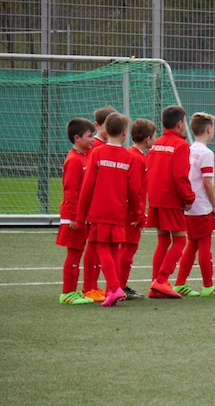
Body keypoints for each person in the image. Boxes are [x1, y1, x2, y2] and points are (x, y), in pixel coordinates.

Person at [76, 113, 144, 306]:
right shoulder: (129, 157)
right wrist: (139, 214)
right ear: (125, 133)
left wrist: (81, 216)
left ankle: (114, 288)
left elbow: (87, 187)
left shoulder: (97, 153)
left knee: (102, 248)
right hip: (118, 213)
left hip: (99, 212)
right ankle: (110, 292)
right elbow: (134, 191)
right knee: (114, 250)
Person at [174, 113, 215, 297]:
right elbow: (207, 183)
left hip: (188, 205)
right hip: (201, 206)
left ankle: (180, 283)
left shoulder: (189, 149)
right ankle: (208, 285)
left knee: (192, 245)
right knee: (204, 245)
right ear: (208, 129)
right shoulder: (206, 153)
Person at [147, 105, 196, 299]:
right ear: (179, 124)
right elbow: (180, 176)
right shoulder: (181, 145)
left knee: (163, 240)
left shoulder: (157, 142)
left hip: (156, 197)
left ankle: (155, 283)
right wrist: (189, 197)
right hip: (170, 198)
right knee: (180, 240)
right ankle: (161, 280)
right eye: (184, 121)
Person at [81, 105, 119, 302]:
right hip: (95, 206)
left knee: (98, 247)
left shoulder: (105, 147)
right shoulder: (95, 147)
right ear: (98, 126)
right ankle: (89, 286)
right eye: (106, 125)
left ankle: (96, 286)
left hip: (103, 206)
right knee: (93, 247)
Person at [56, 118, 95, 305]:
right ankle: (67, 292)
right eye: (89, 136)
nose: (93, 139)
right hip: (74, 216)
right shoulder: (73, 160)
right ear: (77, 138)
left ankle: (73, 290)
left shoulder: (85, 156)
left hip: (82, 215)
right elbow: (70, 190)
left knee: (78, 252)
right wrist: (73, 216)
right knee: (74, 253)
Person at [118, 118, 157, 299]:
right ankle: (119, 285)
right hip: (131, 212)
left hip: (132, 210)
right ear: (147, 139)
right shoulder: (136, 157)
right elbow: (133, 188)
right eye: (154, 136)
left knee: (128, 248)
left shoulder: (136, 155)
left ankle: (119, 284)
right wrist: (138, 212)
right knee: (128, 248)